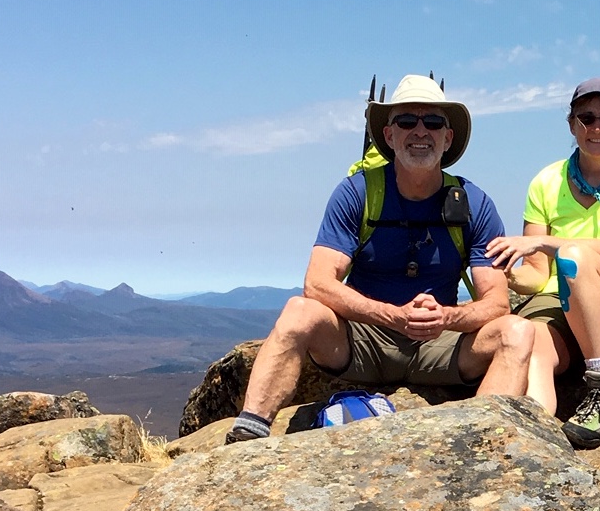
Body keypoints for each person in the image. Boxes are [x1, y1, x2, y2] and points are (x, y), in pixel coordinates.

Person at [225, 74, 538, 443]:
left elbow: (497, 303)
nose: (420, 131)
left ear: (447, 137)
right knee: (299, 310)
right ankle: (250, 429)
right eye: (406, 121)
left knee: (517, 332)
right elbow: (317, 283)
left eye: (433, 122)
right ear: (389, 135)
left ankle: (477, 447)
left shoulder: (473, 204)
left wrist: (446, 317)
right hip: (363, 340)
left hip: (438, 344)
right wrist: (392, 315)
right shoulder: (357, 193)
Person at [487, 78, 600, 449]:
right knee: (531, 342)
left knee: (574, 257)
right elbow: (536, 276)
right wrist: (497, 272)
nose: (597, 127)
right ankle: (536, 437)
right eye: (586, 118)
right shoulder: (545, 182)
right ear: (571, 124)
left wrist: (543, 241)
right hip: (561, 304)